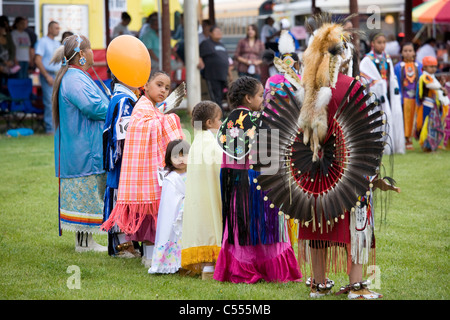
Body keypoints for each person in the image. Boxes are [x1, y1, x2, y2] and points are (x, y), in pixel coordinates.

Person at [213, 76, 301, 284]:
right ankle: (273, 269)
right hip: (260, 182)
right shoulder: (258, 120)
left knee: (241, 227)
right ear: (248, 98)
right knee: (267, 226)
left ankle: (243, 268)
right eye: (261, 95)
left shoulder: (228, 120)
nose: (263, 99)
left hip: (236, 183)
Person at [101, 70, 184, 268]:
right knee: (149, 216)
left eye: (167, 87)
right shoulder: (142, 107)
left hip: (152, 171)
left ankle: (152, 254)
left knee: (154, 216)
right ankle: (149, 255)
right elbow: (141, 128)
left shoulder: (152, 109)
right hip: (145, 175)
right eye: (159, 85)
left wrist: (163, 118)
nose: (164, 90)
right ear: (145, 86)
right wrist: (168, 120)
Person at [51, 34, 109, 252]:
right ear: (82, 55)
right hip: (82, 150)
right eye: (91, 48)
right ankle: (84, 243)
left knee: (90, 192)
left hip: (84, 147)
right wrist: (115, 107)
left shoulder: (77, 75)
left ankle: (86, 241)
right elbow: (93, 107)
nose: (94, 52)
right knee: (86, 192)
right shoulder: (74, 78)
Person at [181, 101, 223, 279]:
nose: (221, 123)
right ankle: (211, 266)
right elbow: (220, 166)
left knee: (202, 225)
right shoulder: (211, 143)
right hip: (211, 193)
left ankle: (207, 266)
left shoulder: (196, 142)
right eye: (219, 119)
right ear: (209, 123)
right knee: (213, 224)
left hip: (198, 196)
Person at [102, 75, 141, 258]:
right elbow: (123, 137)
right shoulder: (124, 100)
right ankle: (123, 245)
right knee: (121, 196)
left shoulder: (124, 97)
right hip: (123, 162)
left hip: (123, 162)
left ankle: (128, 242)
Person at [148, 139, 190, 274]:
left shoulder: (193, 174)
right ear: (169, 158)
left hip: (189, 213)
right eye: (176, 156)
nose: (180, 159)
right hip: (175, 216)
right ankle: (171, 262)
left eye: (184, 155)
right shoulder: (170, 178)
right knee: (173, 234)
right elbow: (168, 204)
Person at [360, 32, 405, 155]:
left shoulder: (387, 58)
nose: (382, 45)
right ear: (372, 43)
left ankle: (394, 145)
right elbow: (364, 79)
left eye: (384, 42)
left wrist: (391, 85)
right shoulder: (366, 60)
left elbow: (391, 76)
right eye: (379, 42)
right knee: (379, 118)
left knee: (392, 115)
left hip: (389, 94)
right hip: (376, 96)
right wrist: (377, 84)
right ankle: (380, 146)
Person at [394, 42, 422, 150]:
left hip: (415, 97)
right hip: (404, 97)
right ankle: (406, 140)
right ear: (401, 52)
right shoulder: (398, 66)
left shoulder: (418, 66)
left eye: (410, 50)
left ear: (414, 52)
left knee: (415, 119)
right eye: (405, 51)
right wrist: (399, 97)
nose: (408, 53)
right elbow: (396, 82)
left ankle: (414, 138)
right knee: (405, 119)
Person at [416, 56, 448, 152]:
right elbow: (430, 85)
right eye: (431, 66)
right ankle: (426, 145)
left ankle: (432, 144)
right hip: (427, 105)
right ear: (425, 67)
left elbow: (437, 89)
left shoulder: (432, 77)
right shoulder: (424, 77)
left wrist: (441, 87)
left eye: (435, 66)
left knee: (434, 125)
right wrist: (440, 87)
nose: (433, 68)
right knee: (427, 125)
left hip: (434, 105)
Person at [35, 21, 61, 134]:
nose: (58, 30)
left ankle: (58, 128)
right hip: (48, 74)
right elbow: (37, 60)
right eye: (56, 28)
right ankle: (50, 129)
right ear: (49, 29)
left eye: (58, 28)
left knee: (58, 101)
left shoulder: (57, 43)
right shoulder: (42, 42)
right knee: (50, 102)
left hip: (58, 74)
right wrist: (46, 75)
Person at [199, 25, 231, 109]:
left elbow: (226, 60)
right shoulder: (206, 43)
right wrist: (200, 62)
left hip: (223, 75)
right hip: (212, 75)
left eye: (220, 31)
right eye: (216, 31)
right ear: (210, 33)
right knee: (215, 97)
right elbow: (199, 55)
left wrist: (230, 74)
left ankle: (221, 114)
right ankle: (218, 116)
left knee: (221, 96)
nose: (219, 33)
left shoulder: (222, 45)